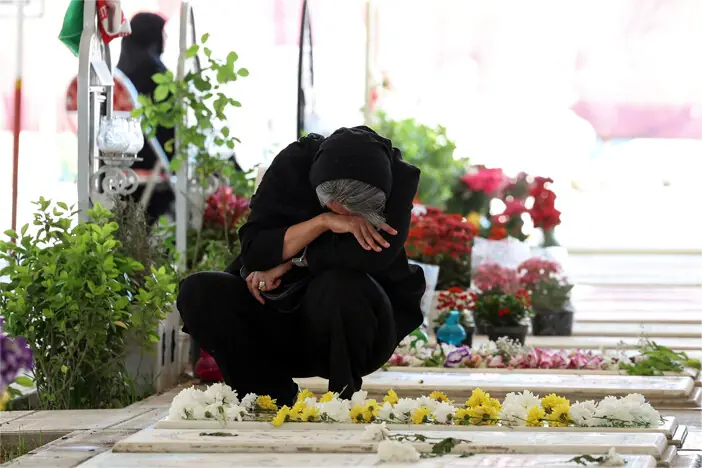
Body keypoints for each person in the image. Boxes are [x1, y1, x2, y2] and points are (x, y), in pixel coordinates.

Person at [177, 127, 426, 406]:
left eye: (356, 217)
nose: (347, 219)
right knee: (198, 291)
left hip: (351, 328)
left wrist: (291, 260)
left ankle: (342, 403)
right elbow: (255, 251)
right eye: (336, 211)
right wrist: (322, 224)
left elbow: (370, 256)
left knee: (340, 284)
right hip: (277, 318)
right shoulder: (293, 164)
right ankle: (268, 397)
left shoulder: (399, 179)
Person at [116, 12, 174, 224]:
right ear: (153, 38)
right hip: (153, 163)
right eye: (162, 35)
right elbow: (172, 127)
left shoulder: (117, 77)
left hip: (114, 166)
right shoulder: (156, 75)